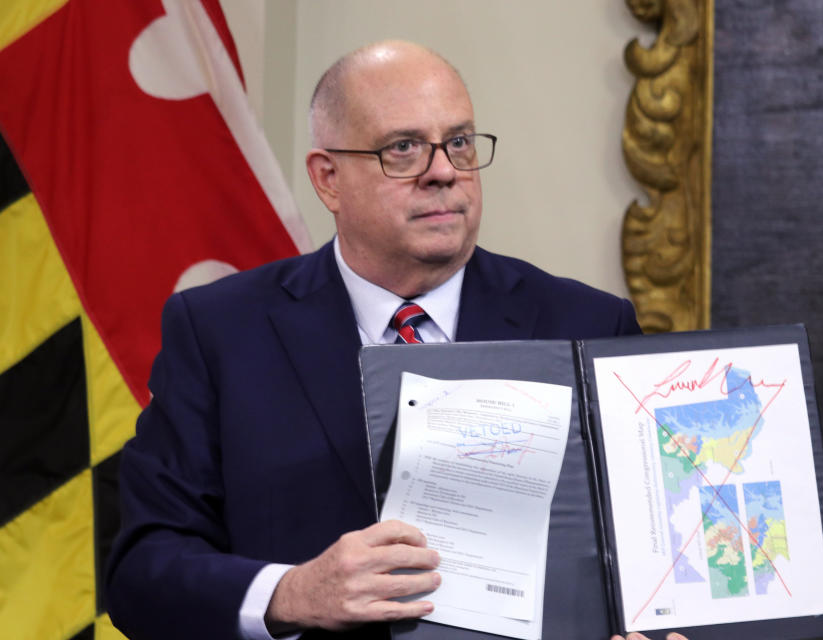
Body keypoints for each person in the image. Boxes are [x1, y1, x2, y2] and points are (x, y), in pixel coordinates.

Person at [105, 40, 688, 640]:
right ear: (328, 179)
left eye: (459, 141)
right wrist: (293, 593)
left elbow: (664, 560)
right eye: (403, 148)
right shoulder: (220, 331)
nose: (443, 171)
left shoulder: (589, 324)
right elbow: (142, 573)